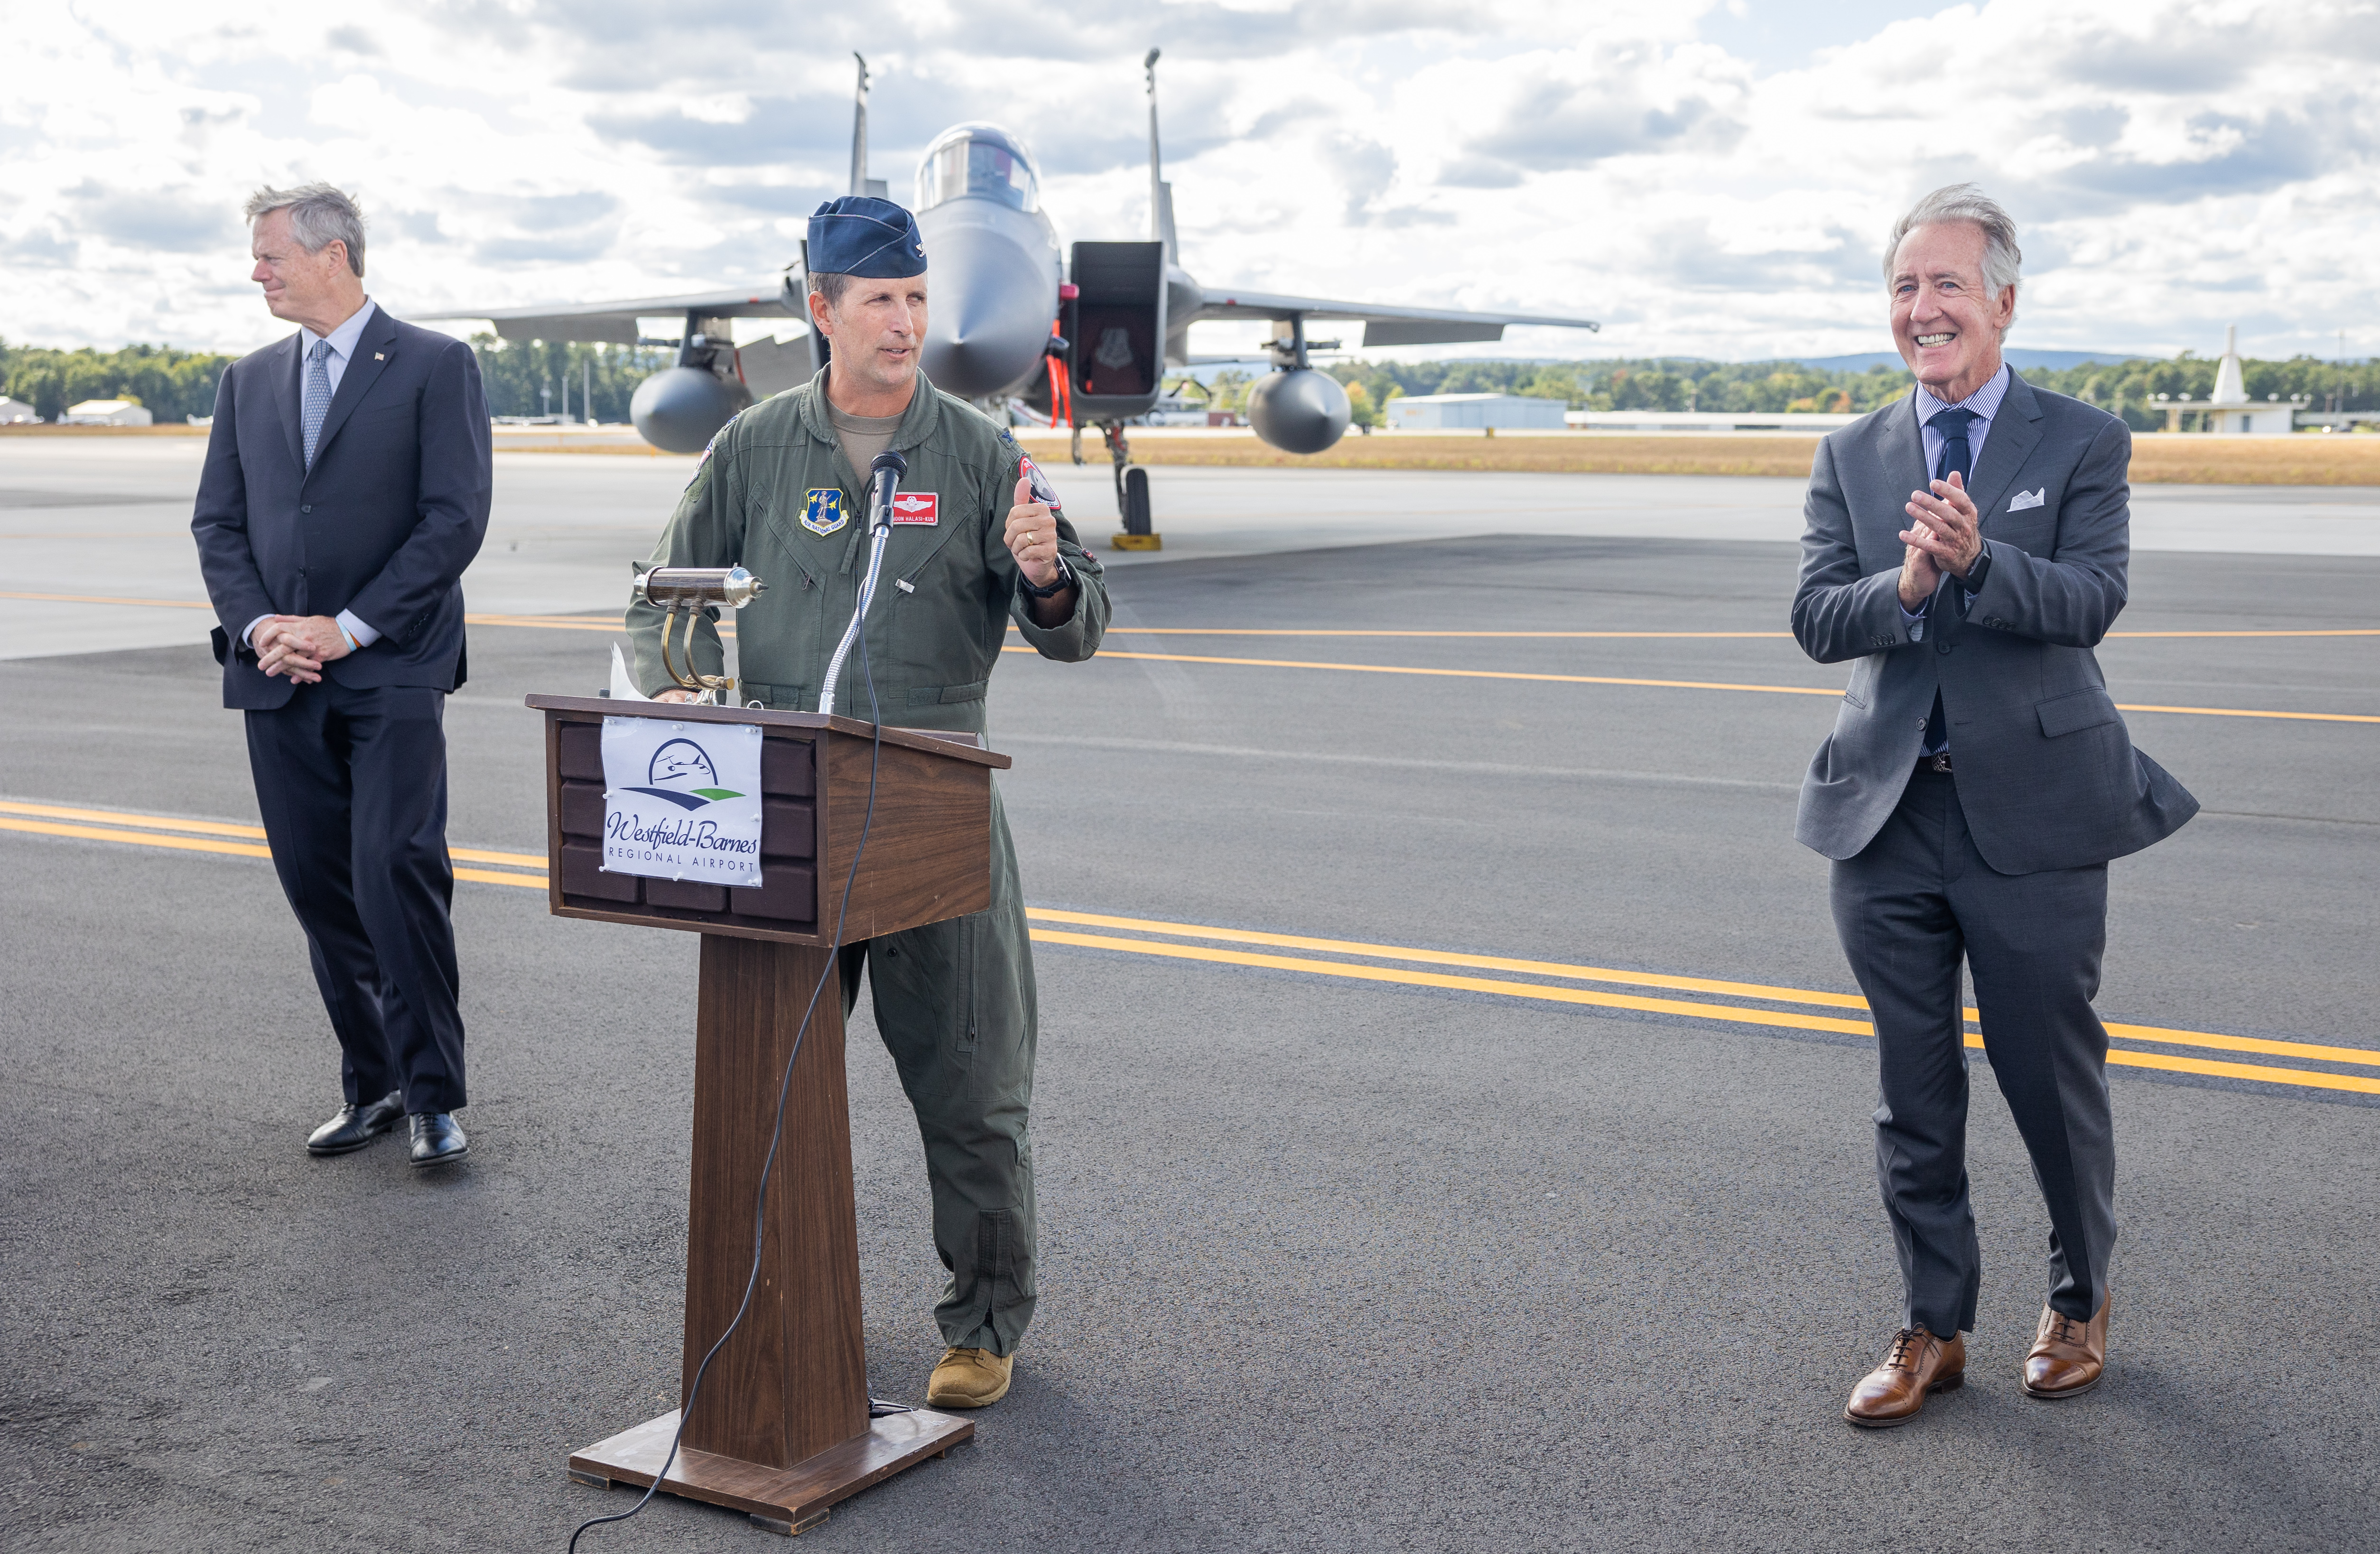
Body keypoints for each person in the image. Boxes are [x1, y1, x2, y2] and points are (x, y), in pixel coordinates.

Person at [626, 195, 1110, 1409]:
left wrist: (1048, 580)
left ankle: (985, 1324)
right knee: (770, 1082)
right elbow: (659, 603)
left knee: (973, 1085)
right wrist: (678, 692)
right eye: (880, 302)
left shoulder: (984, 452)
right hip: (783, 811)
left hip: (936, 811)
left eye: (915, 300)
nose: (905, 324)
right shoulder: (751, 449)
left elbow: (1078, 627)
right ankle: (776, 1299)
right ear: (821, 311)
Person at [1790, 184, 2198, 1427]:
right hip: (1889, 817)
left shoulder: (2080, 441)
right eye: (1906, 286)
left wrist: (1982, 563)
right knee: (1912, 1094)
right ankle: (1933, 1325)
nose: (1925, 309)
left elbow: (2091, 599)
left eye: (1949, 284)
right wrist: (1906, 588)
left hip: (2035, 817)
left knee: (2046, 1076)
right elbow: (1819, 616)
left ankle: (2079, 1296)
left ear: (2005, 302)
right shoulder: (1851, 453)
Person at [191, 183, 492, 1167]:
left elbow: (453, 520)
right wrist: (263, 624)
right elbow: (219, 525)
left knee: (393, 873)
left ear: (334, 255)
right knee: (319, 887)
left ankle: (435, 1097)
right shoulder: (249, 380)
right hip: (278, 673)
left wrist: (348, 629)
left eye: (271, 254)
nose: (258, 271)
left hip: (390, 668)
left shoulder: (436, 366)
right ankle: (374, 1083)